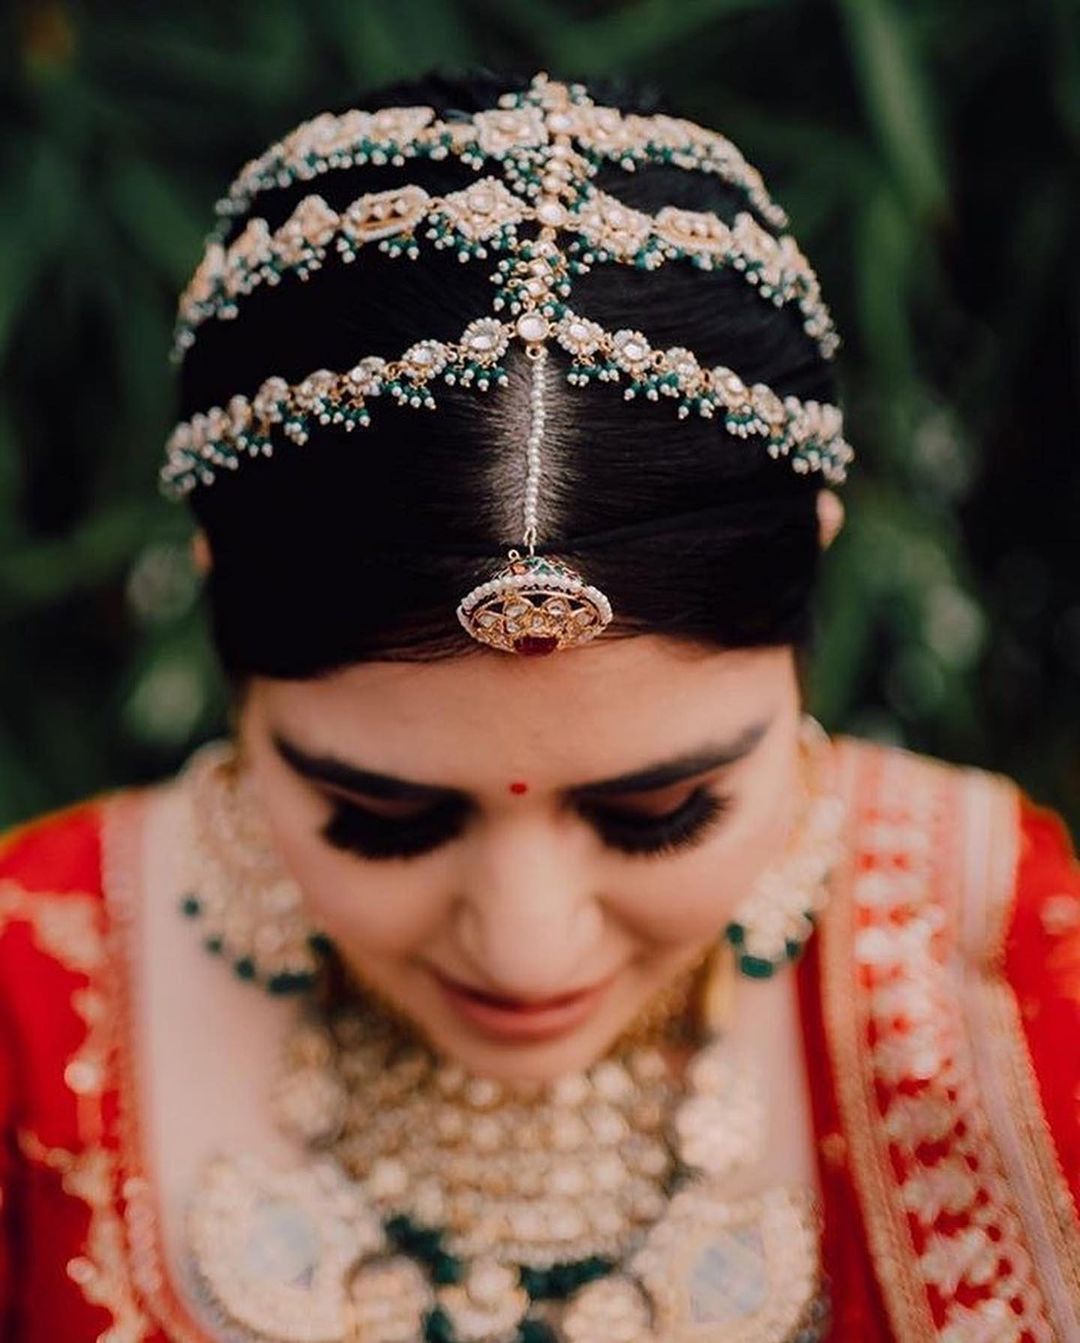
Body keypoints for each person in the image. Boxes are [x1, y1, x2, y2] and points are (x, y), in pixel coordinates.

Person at [0, 67, 1075, 1343]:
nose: (526, 949)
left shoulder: (997, 953)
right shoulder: (32, 987)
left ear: (809, 604)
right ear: (218, 608)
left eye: (662, 811)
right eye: (380, 817)